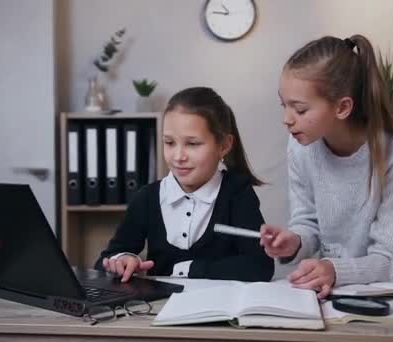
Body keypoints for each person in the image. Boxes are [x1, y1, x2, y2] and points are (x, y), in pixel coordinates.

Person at [260, 35, 393, 299]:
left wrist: (335, 270)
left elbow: (391, 260)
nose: (287, 119)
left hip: (390, 300)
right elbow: (308, 223)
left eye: (300, 110)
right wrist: (295, 242)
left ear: (342, 107)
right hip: (332, 294)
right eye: (284, 105)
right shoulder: (300, 148)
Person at [95, 86, 273, 282]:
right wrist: (122, 260)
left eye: (193, 144)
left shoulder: (237, 193)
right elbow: (105, 260)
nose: (178, 157)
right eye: (169, 143)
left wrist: (188, 269)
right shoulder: (148, 197)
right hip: (157, 310)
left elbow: (259, 266)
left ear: (224, 145)